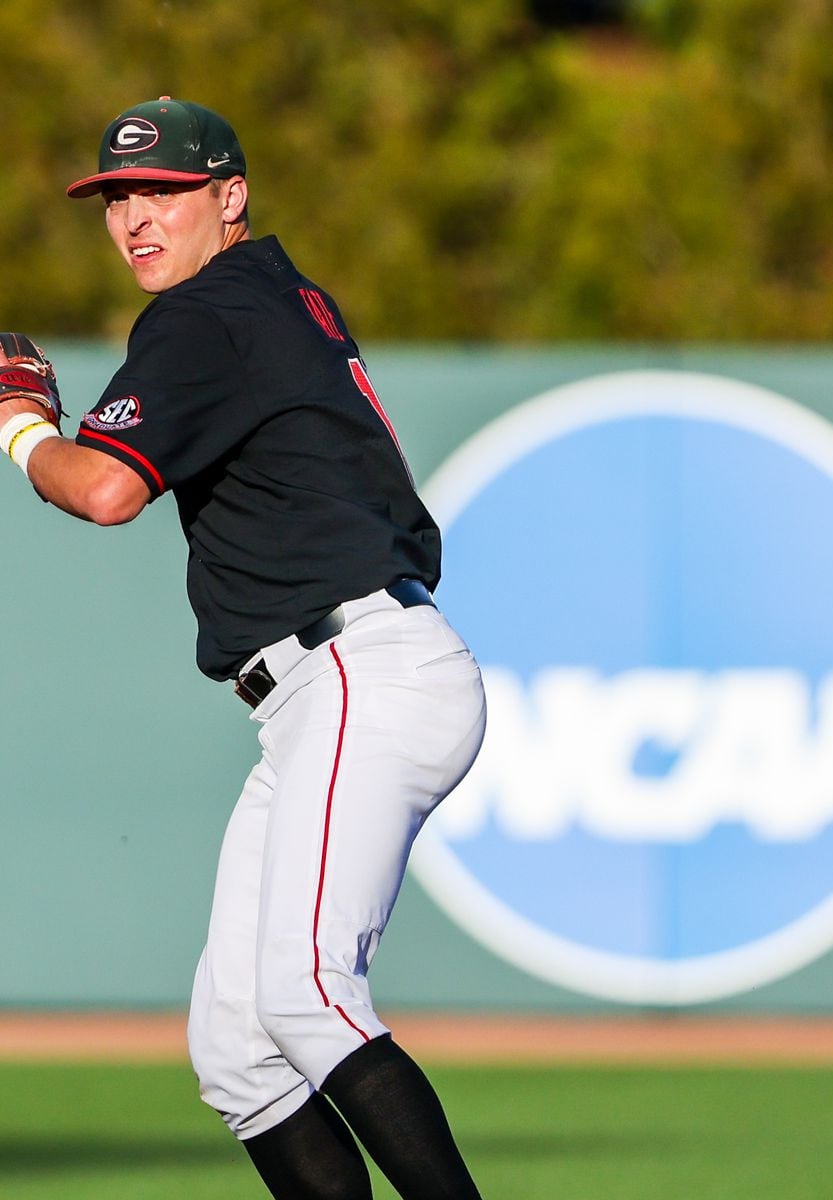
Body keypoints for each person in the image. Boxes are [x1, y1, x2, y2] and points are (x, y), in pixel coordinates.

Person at [0, 97, 487, 1199]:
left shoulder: (206, 314)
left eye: (164, 192)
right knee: (240, 1049)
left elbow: (107, 489)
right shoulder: (273, 295)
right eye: (118, 196)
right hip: (332, 682)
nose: (134, 217)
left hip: (361, 667)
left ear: (230, 197)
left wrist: (18, 424)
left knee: (306, 994)